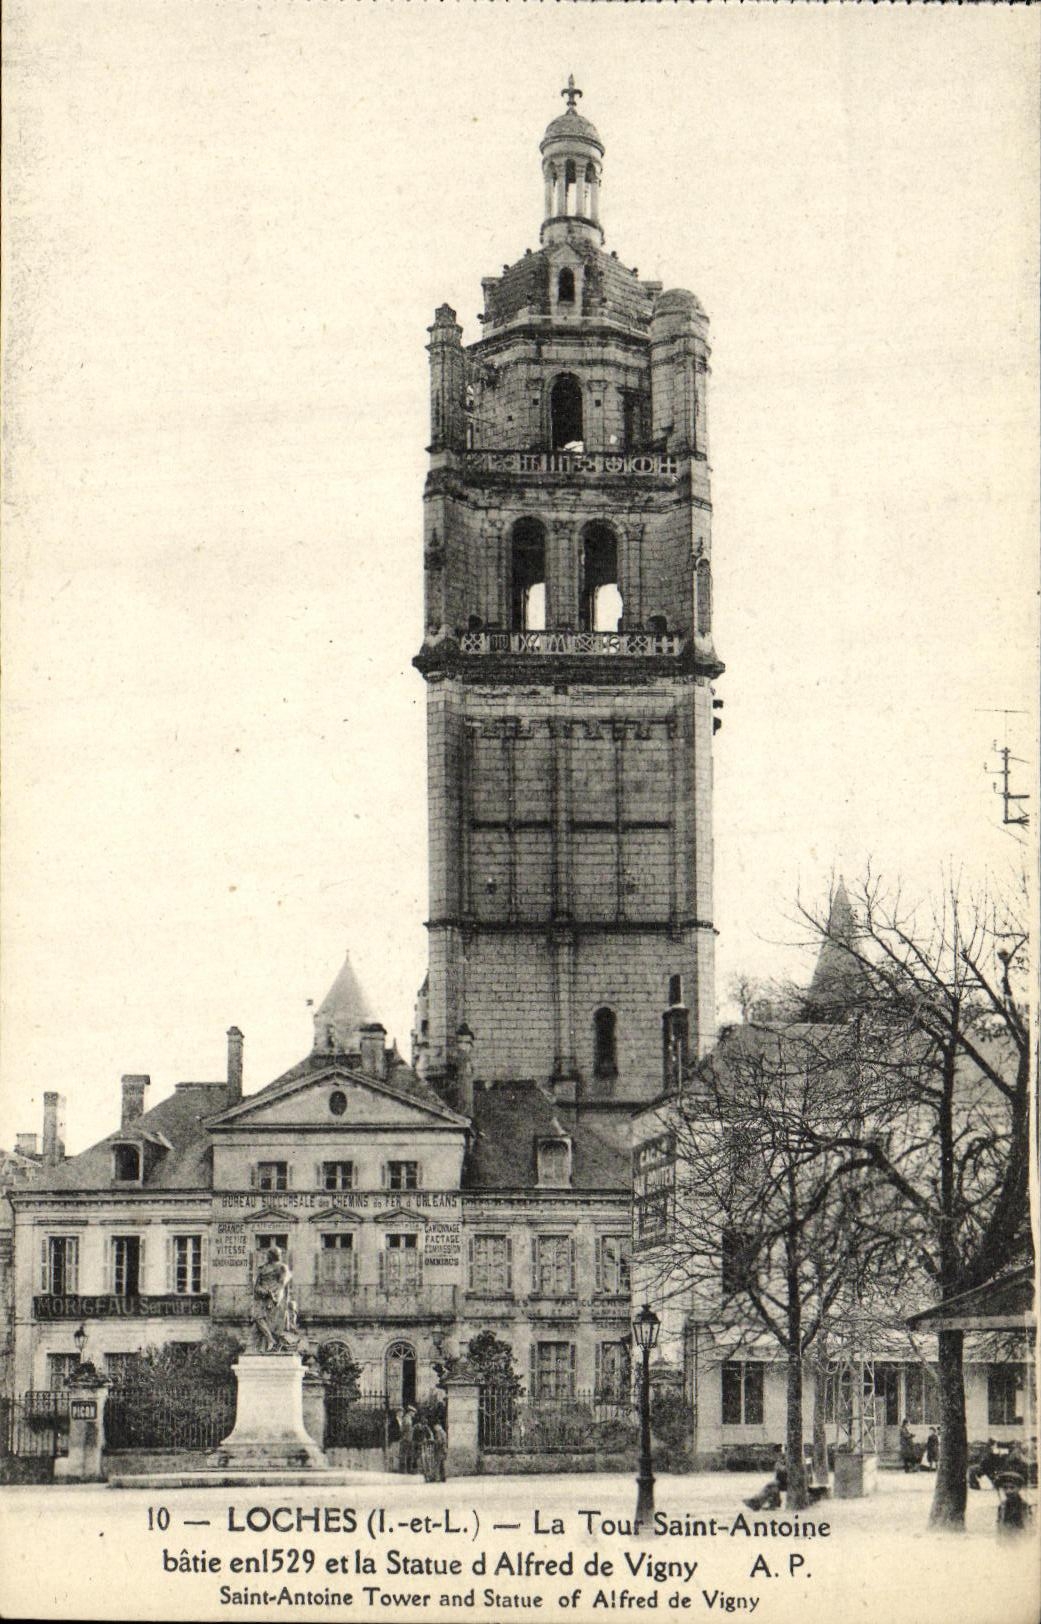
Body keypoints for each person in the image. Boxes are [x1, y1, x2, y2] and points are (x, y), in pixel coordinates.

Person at [252, 1246, 293, 1351]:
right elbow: (256, 1285)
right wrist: (263, 1291)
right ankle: (270, 1340)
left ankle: (272, 1342)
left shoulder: (282, 1267)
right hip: (262, 1297)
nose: (268, 1256)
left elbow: (282, 1283)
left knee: (271, 1323)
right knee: (256, 1316)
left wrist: (274, 1295)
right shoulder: (263, 1268)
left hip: (274, 1298)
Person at [744, 1446, 787, 1511]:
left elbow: (786, 1471)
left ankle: (758, 1502)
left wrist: (779, 1466)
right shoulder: (785, 1459)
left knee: (773, 1484)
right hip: (786, 1481)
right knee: (773, 1485)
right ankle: (765, 1502)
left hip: (793, 1482)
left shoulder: (792, 1459)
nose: (782, 1453)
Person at [398, 1405, 415, 1473]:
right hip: (406, 1439)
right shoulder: (407, 1418)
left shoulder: (408, 1418)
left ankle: (408, 1470)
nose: (414, 1414)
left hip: (408, 1439)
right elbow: (403, 1429)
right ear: (410, 1412)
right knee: (405, 1455)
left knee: (408, 1454)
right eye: (413, 1412)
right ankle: (404, 1470)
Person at [430, 1418, 448, 1482]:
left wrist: (433, 1441)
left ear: (438, 1426)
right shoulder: (443, 1432)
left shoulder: (439, 1432)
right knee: (442, 1465)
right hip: (443, 1450)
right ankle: (443, 1478)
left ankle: (437, 1478)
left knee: (437, 1464)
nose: (434, 1428)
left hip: (439, 1450)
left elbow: (439, 1441)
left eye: (435, 1427)